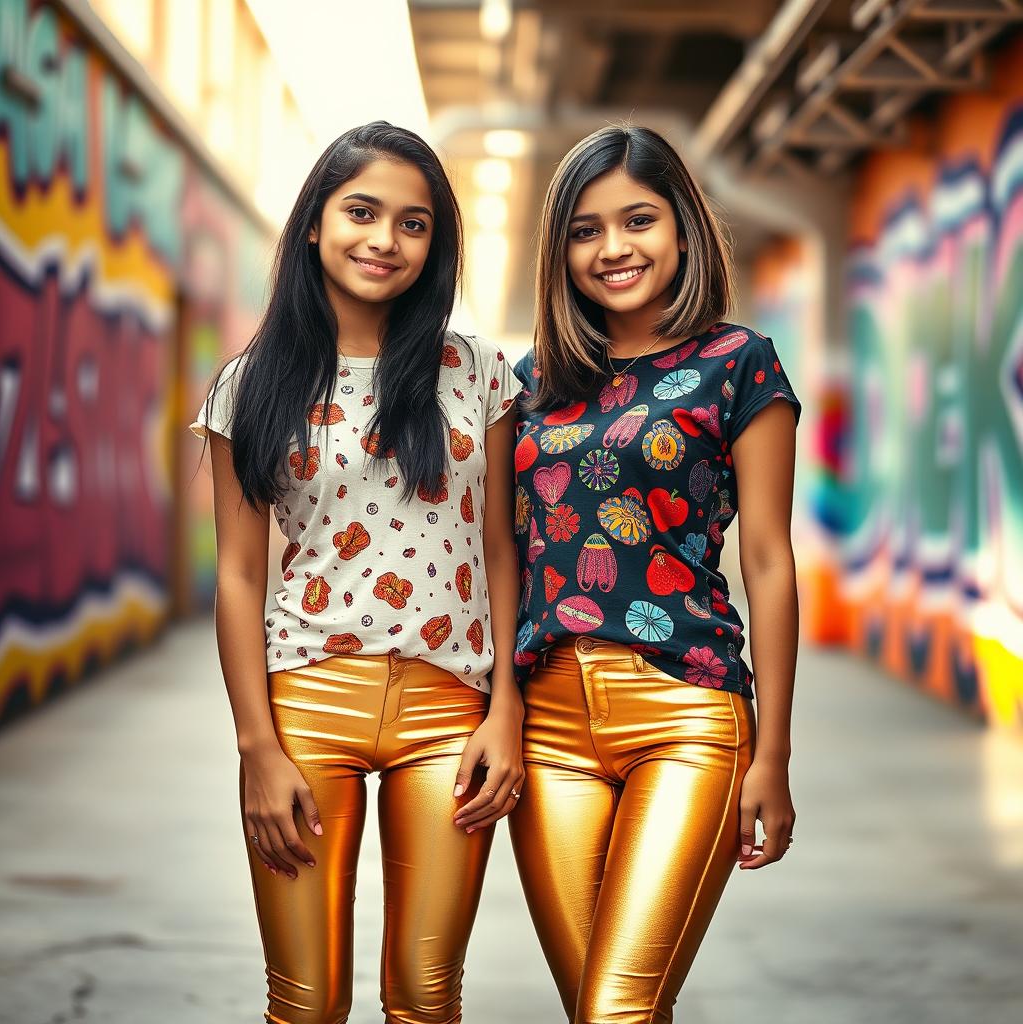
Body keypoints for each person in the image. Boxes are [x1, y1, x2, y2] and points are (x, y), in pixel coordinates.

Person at [189, 121, 524, 1024]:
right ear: (314, 223)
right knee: (305, 1002)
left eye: (414, 224)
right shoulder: (250, 386)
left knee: (425, 997)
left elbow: (502, 549)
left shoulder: (479, 372)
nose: (385, 239)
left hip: (449, 711)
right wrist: (256, 747)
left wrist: (508, 707)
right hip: (304, 707)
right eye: (363, 212)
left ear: (435, 245)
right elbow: (237, 582)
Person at [508, 124, 800, 1023]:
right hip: (547, 728)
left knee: (616, 1009)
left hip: (687, 709)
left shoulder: (736, 361)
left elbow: (768, 561)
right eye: (586, 231)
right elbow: (503, 556)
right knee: (613, 1007)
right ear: (561, 253)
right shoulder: (532, 382)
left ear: (682, 229)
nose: (613, 249)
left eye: (637, 220)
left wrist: (776, 754)